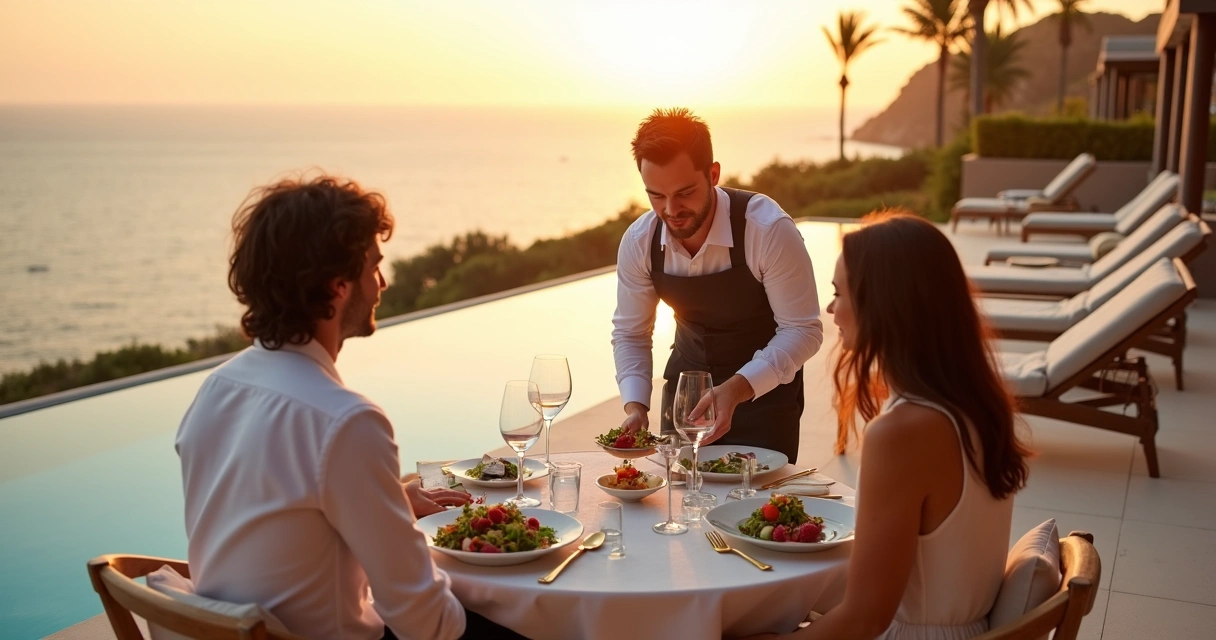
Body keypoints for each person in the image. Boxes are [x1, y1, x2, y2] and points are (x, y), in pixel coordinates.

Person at [175, 175, 525, 640]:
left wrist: (390, 501)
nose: (381, 283)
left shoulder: (217, 389)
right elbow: (424, 622)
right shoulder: (345, 422)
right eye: (373, 267)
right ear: (339, 286)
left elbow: (276, 516)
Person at [747, 211, 1032, 640]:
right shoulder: (973, 405)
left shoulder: (904, 432)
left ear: (883, 305)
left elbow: (864, 620)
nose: (830, 309)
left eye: (839, 293)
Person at [611, 108, 823, 463]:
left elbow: (803, 330)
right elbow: (631, 333)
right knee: (678, 508)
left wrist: (737, 388)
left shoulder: (767, 230)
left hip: (763, 401)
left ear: (713, 174)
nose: (670, 209)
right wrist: (635, 406)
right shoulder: (639, 241)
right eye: (656, 196)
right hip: (684, 404)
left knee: (757, 514)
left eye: (685, 192)